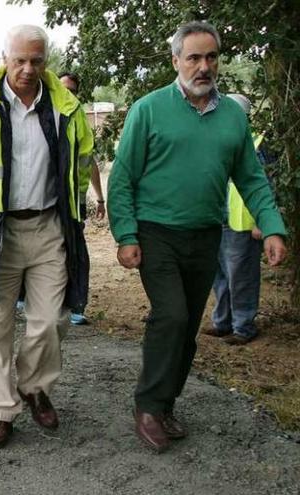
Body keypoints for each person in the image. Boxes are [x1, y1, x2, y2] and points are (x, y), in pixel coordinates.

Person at [108, 21, 287, 453]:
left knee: (187, 326)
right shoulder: (149, 109)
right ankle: (148, 407)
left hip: (206, 235)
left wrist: (273, 227)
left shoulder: (232, 117)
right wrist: (126, 234)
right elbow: (122, 178)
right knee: (170, 315)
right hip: (157, 234)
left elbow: (251, 178)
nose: (203, 66)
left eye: (211, 57)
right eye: (193, 57)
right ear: (176, 61)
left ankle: (166, 403)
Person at [0, 24, 94, 449]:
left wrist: (75, 220)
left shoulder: (69, 109)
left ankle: (33, 386)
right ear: (4, 57)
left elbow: (79, 170)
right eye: (19, 60)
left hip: (48, 229)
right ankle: (0, 410)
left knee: (51, 321)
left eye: (36, 60)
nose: (27, 69)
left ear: (47, 62)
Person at [206, 93, 271, 345]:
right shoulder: (221, 141)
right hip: (219, 219)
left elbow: (267, 186)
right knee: (220, 275)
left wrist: (261, 221)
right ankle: (222, 323)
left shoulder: (257, 144)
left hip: (243, 223)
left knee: (241, 277)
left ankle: (243, 327)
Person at [58, 71, 106, 326]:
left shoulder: (78, 120)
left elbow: (90, 162)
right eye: (63, 87)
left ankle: (76, 305)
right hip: (49, 202)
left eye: (73, 89)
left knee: (75, 251)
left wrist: (99, 198)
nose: (68, 93)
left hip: (75, 202)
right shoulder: (46, 116)